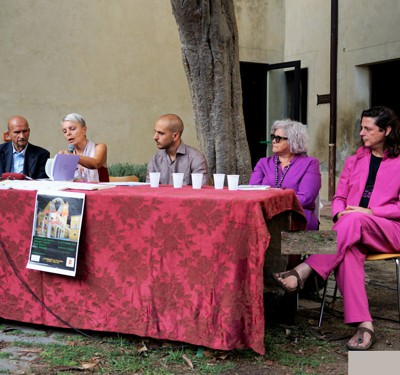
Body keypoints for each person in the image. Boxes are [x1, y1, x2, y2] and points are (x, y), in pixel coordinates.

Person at [273, 106, 400, 351]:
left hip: (390, 230)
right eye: (361, 127)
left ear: (387, 130)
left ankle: (304, 269)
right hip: (352, 231)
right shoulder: (355, 160)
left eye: (368, 128)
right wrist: (340, 212)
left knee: (352, 222)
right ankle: (365, 325)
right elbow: (339, 197)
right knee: (346, 252)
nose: (361, 133)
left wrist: (370, 212)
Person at [249, 119, 321, 230]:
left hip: (297, 215)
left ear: (293, 140)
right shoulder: (263, 163)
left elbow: (306, 198)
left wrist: (274, 201)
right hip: (265, 214)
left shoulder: (310, 163)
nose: (273, 141)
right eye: (273, 137)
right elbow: (253, 190)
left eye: (278, 138)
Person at [146, 114, 209, 185]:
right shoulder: (155, 159)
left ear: (175, 136)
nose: (155, 137)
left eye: (161, 133)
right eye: (155, 132)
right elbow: (149, 190)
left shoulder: (196, 158)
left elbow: (202, 192)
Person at [59, 113, 108, 182]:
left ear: (84, 130)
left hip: (101, 192)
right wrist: (60, 163)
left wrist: (72, 157)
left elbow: (96, 163)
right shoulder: (69, 154)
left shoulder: (99, 147)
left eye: (72, 129)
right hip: (77, 192)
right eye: (65, 131)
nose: (68, 133)